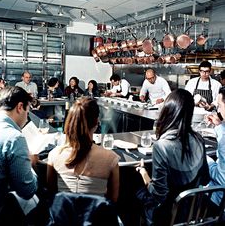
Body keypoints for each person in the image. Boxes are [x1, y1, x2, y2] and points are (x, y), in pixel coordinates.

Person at [136, 89, 209, 225]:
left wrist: (143, 172)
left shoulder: (161, 145)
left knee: (134, 191)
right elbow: (205, 179)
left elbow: (159, 194)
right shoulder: (199, 139)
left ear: (168, 110)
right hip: (192, 213)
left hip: (168, 215)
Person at [47, 97, 120, 203]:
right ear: (96, 122)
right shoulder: (111, 159)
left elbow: (51, 194)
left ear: (70, 122)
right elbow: (113, 200)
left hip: (63, 218)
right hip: (95, 218)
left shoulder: (54, 155)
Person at [0, 86, 38, 225]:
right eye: (27, 112)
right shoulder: (14, 138)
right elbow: (27, 190)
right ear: (20, 107)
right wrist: (29, 162)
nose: (26, 117)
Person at [205, 86, 225, 206]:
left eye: (219, 105)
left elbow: (222, 179)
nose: (218, 109)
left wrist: (206, 159)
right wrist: (219, 125)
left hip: (218, 202)